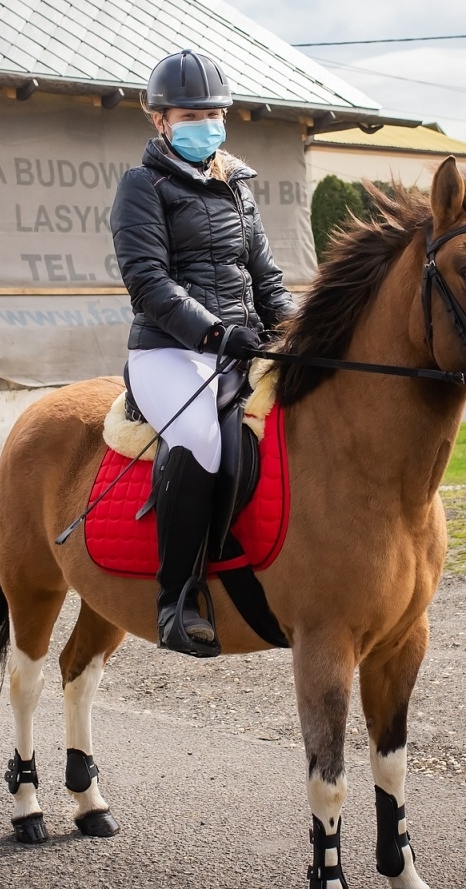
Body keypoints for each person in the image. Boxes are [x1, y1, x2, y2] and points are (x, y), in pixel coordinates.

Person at [111, 49, 297, 658]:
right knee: (202, 438)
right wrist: (216, 334)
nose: (205, 125)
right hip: (170, 351)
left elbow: (266, 279)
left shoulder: (238, 185)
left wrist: (301, 331)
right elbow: (149, 283)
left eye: (214, 115)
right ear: (160, 121)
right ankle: (176, 598)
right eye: (191, 116)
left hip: (240, 347)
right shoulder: (141, 187)